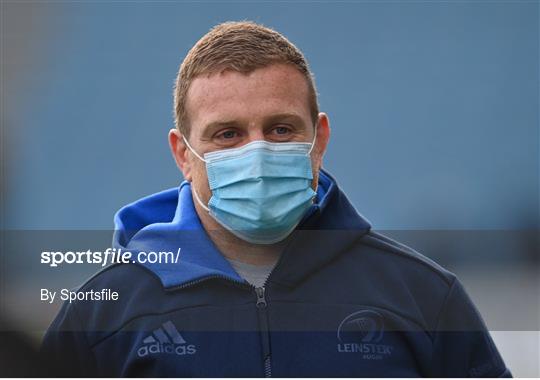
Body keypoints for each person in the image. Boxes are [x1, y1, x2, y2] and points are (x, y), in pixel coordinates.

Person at [41, 21, 512, 377]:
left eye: (280, 129)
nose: (258, 151)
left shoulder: (423, 297)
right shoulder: (101, 314)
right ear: (183, 154)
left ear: (319, 138)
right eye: (227, 134)